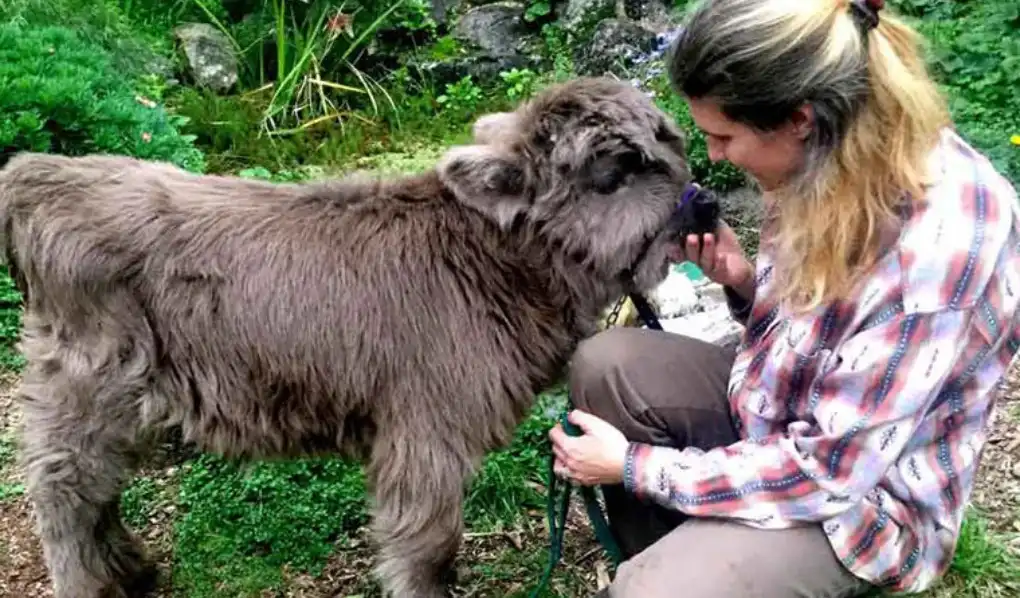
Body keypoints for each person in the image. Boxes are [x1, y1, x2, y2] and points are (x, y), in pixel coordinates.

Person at [547, 0, 1020, 596]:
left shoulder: (939, 252)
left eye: (723, 136)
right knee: (607, 365)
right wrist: (744, 284)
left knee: (650, 592)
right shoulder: (827, 151)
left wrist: (637, 468)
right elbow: (822, 328)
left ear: (797, 118)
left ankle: (681, 573)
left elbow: (831, 471)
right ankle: (680, 549)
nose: (714, 155)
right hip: (778, 417)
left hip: (864, 506)